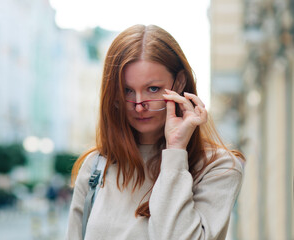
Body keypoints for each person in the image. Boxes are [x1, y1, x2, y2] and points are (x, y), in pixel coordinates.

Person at [66, 24, 245, 240]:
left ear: (179, 83)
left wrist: (175, 152)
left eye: (153, 89)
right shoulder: (97, 166)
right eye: (127, 91)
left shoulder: (217, 168)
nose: (139, 105)